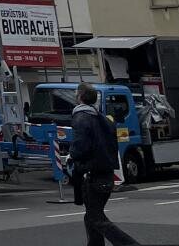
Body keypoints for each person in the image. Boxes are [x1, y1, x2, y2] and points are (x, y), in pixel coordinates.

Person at [69, 82, 138, 246]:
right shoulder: (103, 119)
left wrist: (71, 156)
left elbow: (81, 147)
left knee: (96, 218)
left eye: (76, 93)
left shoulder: (81, 117)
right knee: (92, 216)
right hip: (106, 173)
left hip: (92, 174)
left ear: (80, 97)